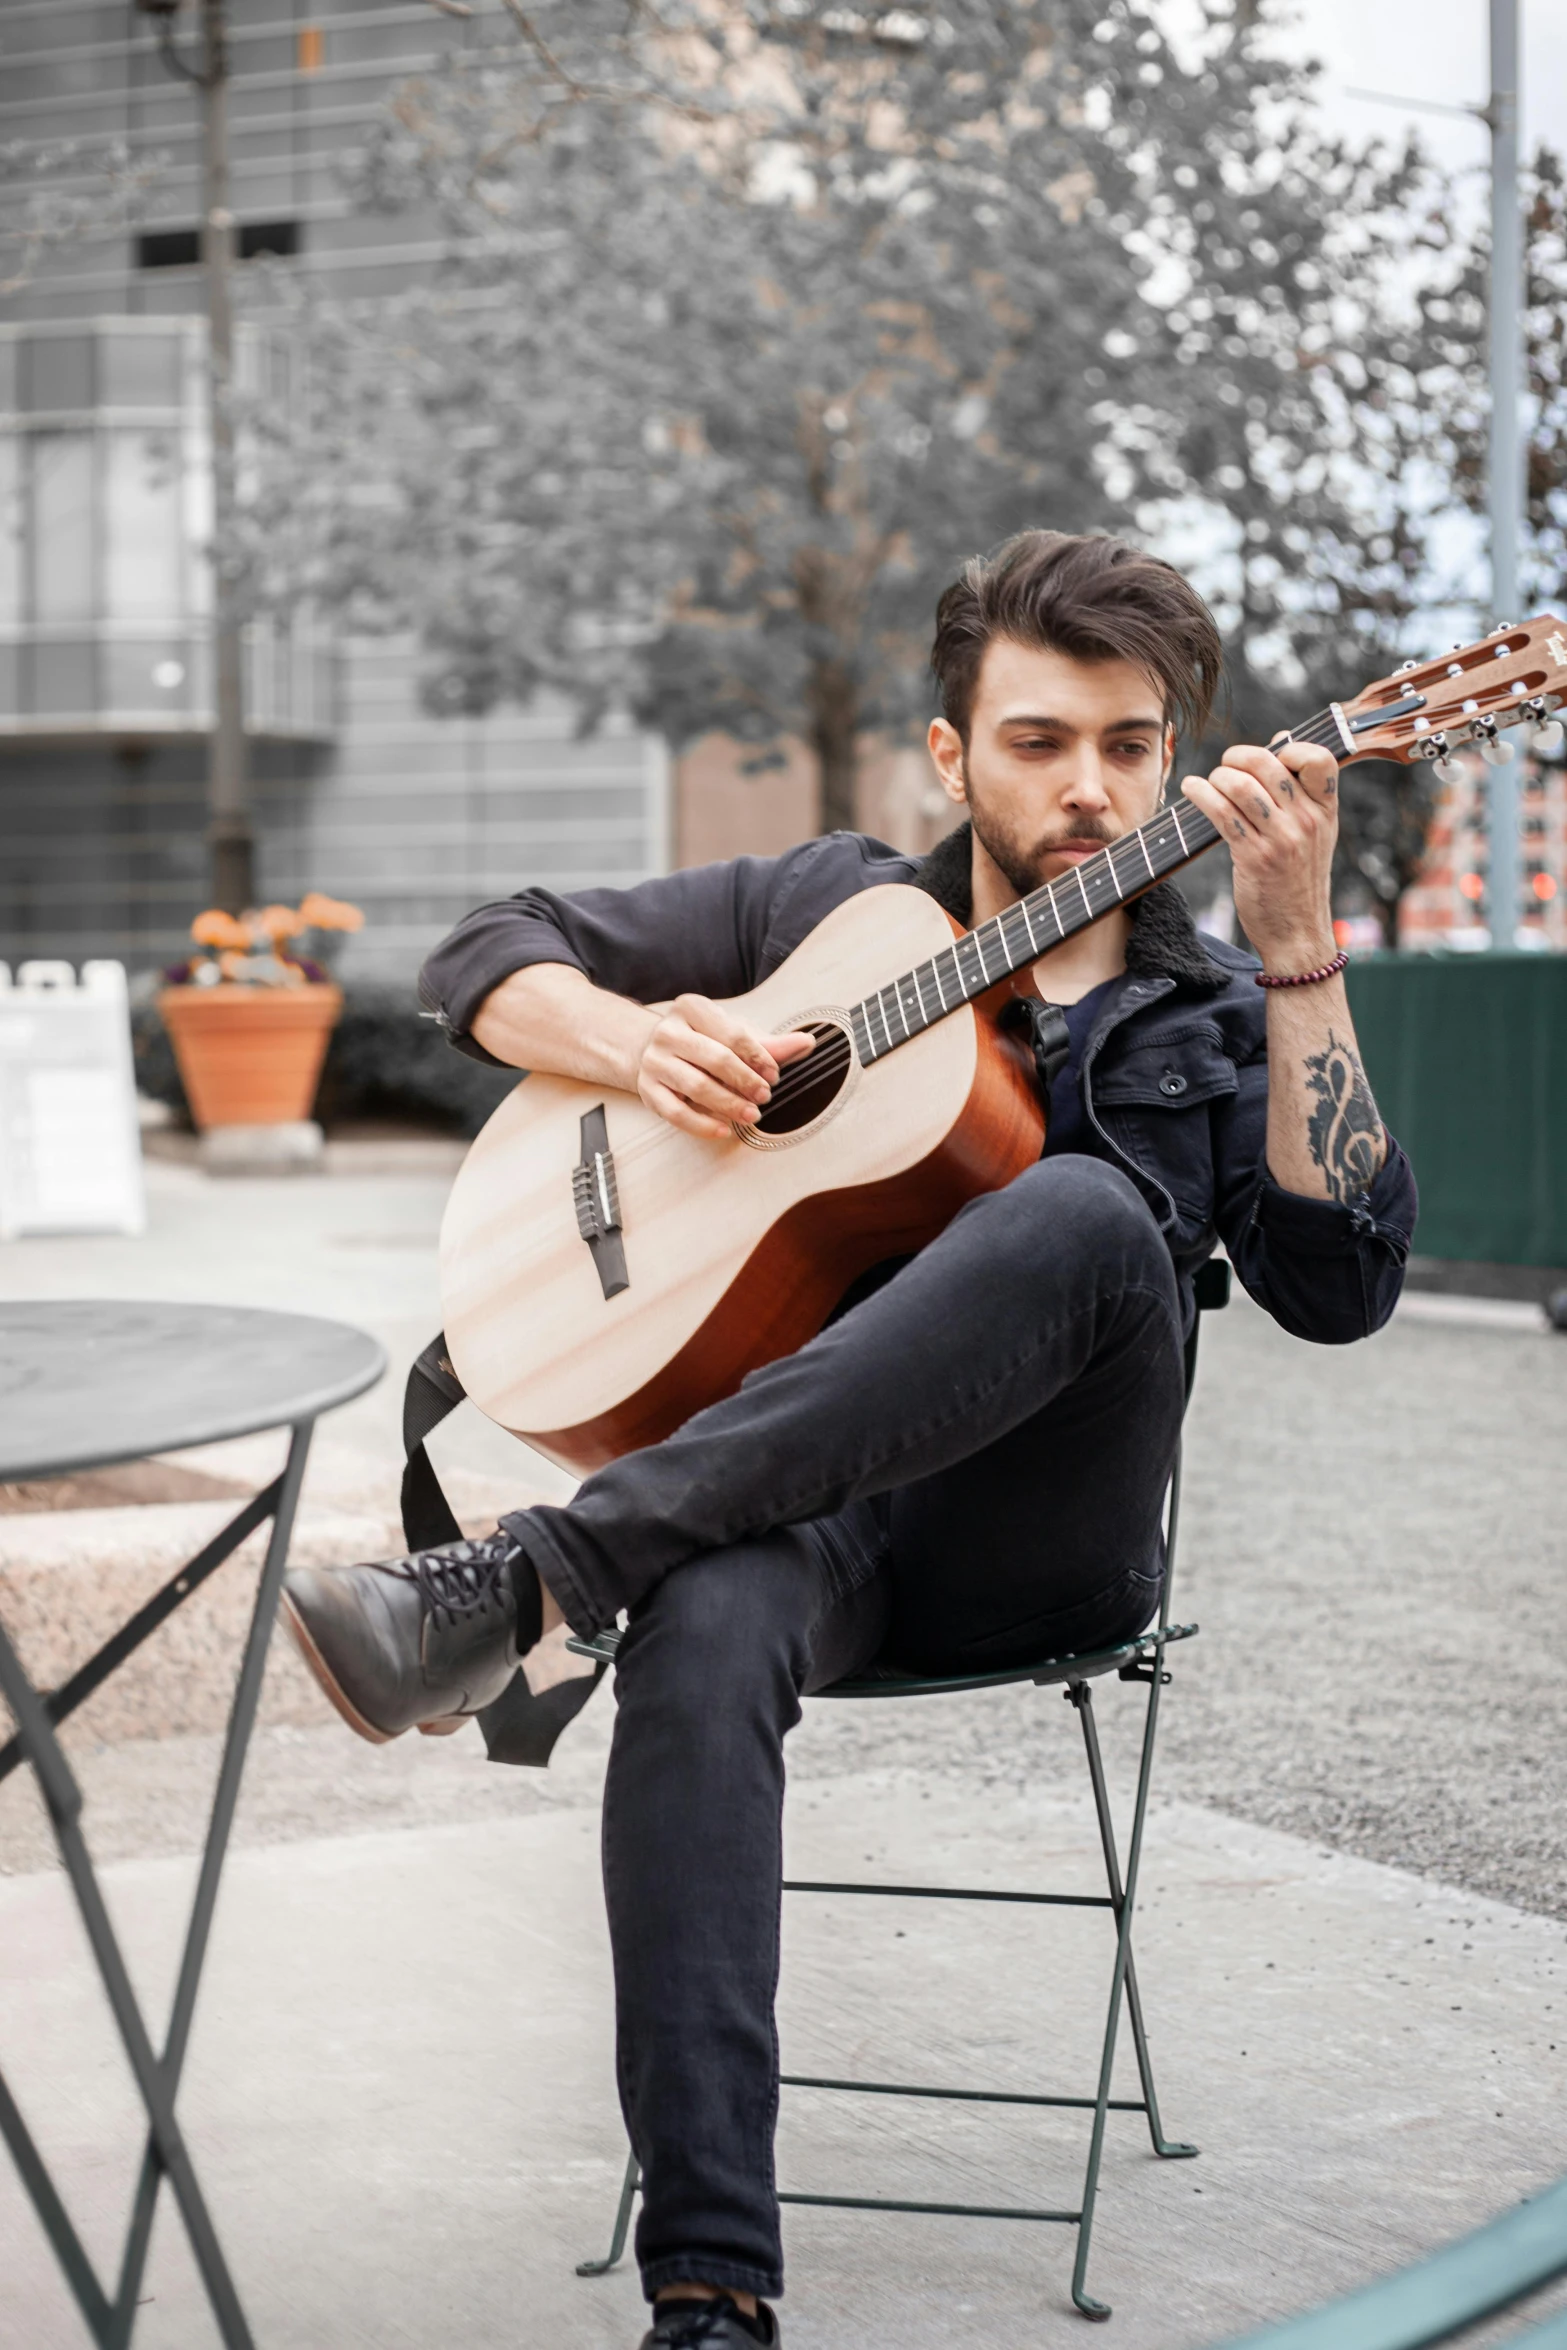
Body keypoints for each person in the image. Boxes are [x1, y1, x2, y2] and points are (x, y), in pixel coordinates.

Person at [281, 530, 1416, 2349]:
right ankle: (711, 2292)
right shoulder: (828, 919)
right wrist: (640, 1043)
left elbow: (1346, 1284)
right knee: (712, 1616)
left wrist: (1299, 958)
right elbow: (487, 950)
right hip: (795, 1518)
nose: (1089, 786)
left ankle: (535, 1571)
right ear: (952, 755)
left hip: (1035, 1535)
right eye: (1040, 740)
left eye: (1130, 745)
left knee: (1082, 1218)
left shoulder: (1208, 1013)